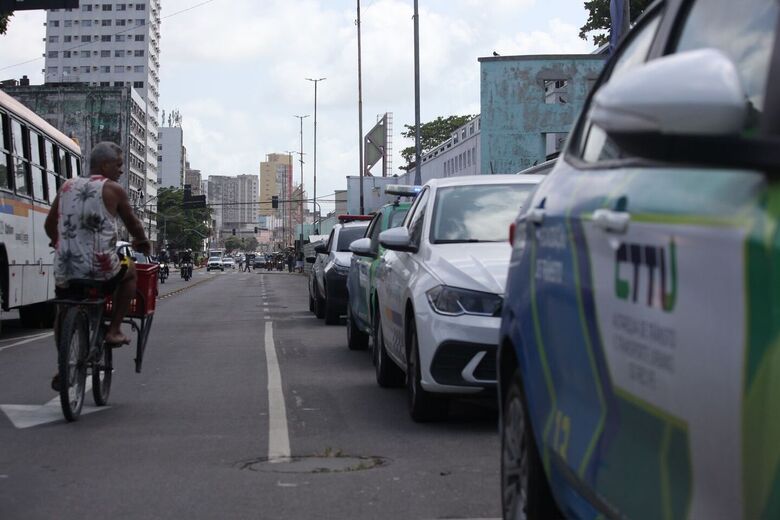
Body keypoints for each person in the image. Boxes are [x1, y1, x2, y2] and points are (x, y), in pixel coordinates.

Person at [45, 141, 151, 346]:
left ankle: (63, 361)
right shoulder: (113, 189)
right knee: (130, 270)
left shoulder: (67, 186)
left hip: (65, 267)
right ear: (104, 165)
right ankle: (114, 330)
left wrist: (57, 242)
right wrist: (142, 240)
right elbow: (133, 223)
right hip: (101, 268)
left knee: (63, 310)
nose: (121, 170)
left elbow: (50, 224)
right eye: (118, 165)